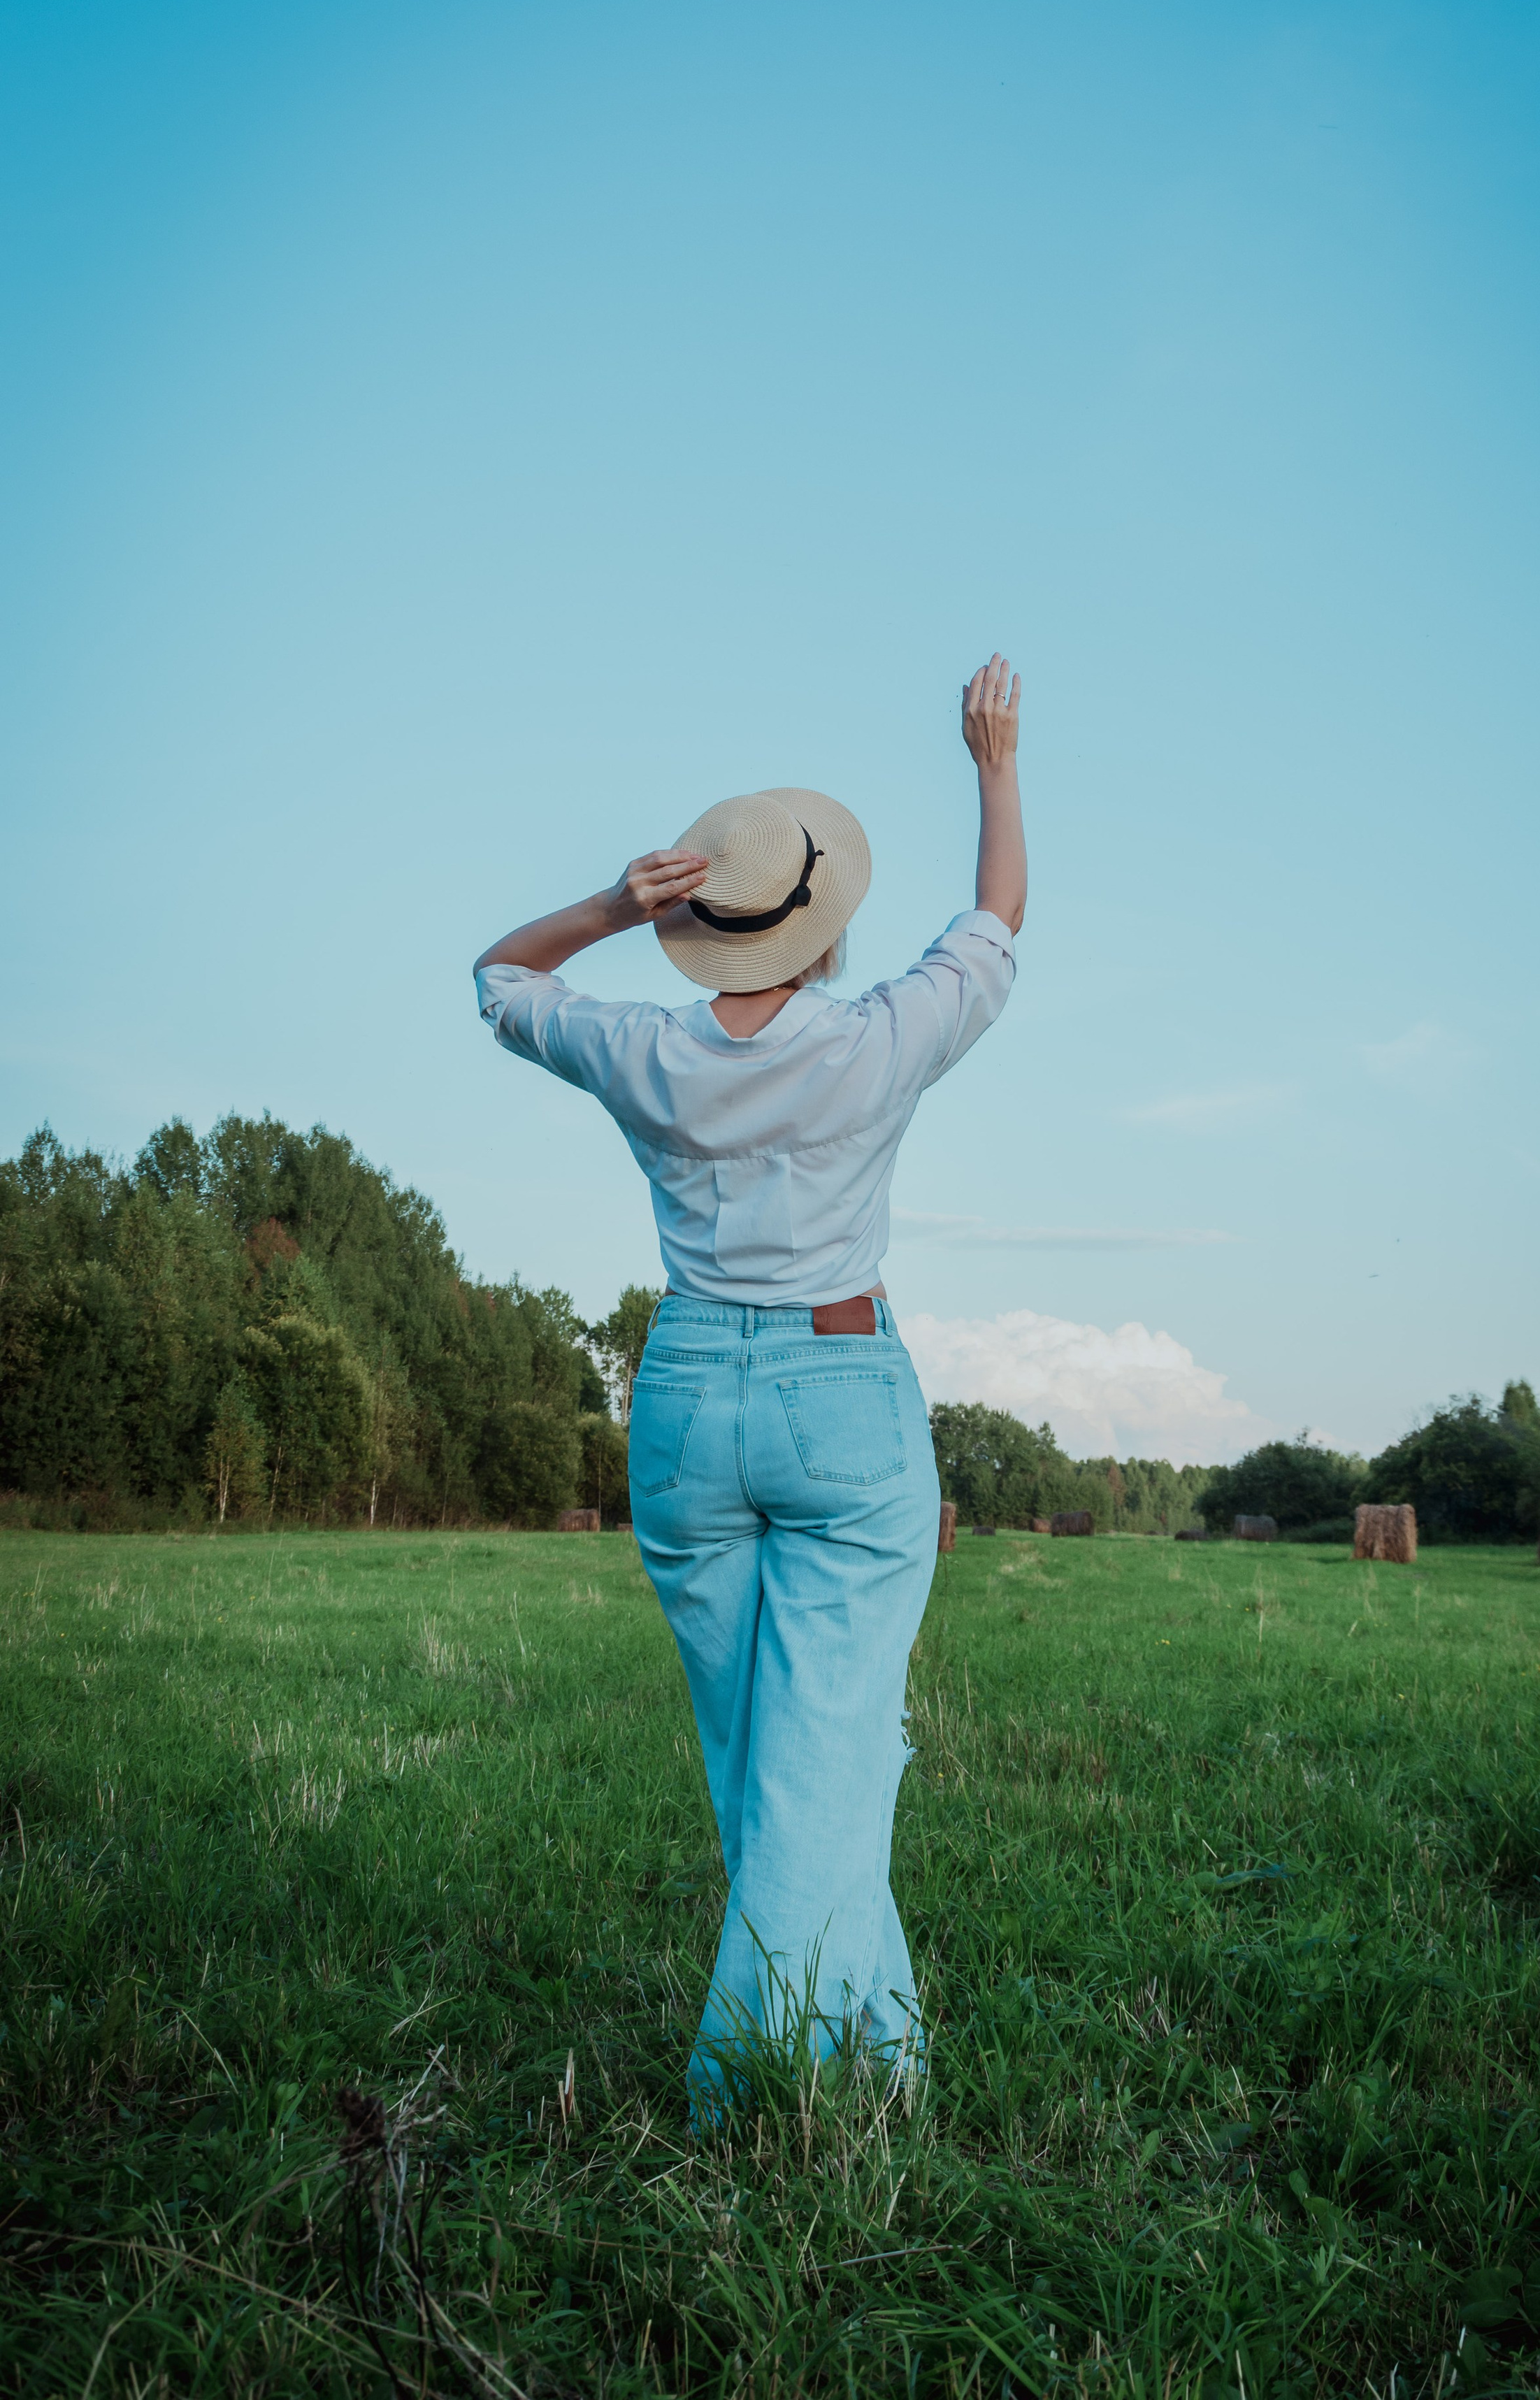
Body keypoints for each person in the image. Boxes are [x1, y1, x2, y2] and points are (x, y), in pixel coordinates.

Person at [472, 658, 1026, 2112]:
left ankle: (882, 2060)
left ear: (693, 927)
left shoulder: (640, 1047)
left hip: (681, 1400)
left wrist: (611, 906)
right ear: (818, 921)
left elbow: (500, 979)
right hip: (838, 1389)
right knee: (827, 1761)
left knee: (768, 1765)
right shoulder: (876, 1036)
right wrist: (994, 763)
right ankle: (748, 2093)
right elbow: (996, 922)